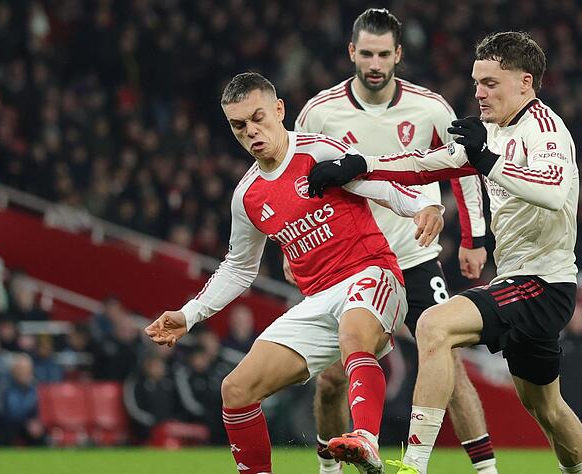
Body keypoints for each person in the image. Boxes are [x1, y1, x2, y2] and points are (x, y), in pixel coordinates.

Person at [308, 31, 582, 474]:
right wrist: (360, 166)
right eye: (476, 81)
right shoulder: (492, 133)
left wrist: (486, 160)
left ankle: (414, 465)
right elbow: (424, 164)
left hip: (545, 283)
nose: (478, 92)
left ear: (525, 82)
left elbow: (554, 193)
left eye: (491, 83)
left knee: (434, 325)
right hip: (518, 280)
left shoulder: (545, 129)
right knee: (547, 408)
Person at [144, 72, 444, 474]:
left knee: (354, 334)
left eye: (258, 118)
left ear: (280, 110)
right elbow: (238, 267)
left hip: (372, 273)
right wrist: (190, 314)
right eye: (239, 126)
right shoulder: (247, 196)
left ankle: (365, 439)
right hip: (318, 298)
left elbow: (380, 183)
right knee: (235, 390)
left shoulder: (318, 152)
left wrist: (424, 206)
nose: (251, 131)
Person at [294, 8, 497, 474]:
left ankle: (487, 472)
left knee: (448, 362)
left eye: (384, 54)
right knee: (329, 378)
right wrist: (296, 249)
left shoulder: (430, 107)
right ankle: (331, 470)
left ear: (398, 55)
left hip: (414, 257)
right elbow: (298, 183)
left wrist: (473, 238)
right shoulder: (321, 112)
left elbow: (463, 167)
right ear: (351, 52)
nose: (374, 63)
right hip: (345, 263)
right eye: (366, 53)